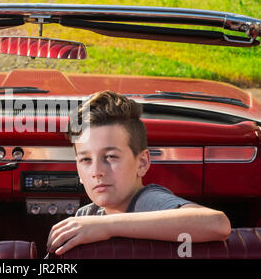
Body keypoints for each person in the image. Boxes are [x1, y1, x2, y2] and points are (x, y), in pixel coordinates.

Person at [46, 90, 231, 256]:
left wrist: (106, 227)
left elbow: (217, 224)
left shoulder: (147, 201)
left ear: (142, 163)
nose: (97, 171)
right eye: (86, 160)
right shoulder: (86, 216)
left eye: (110, 156)